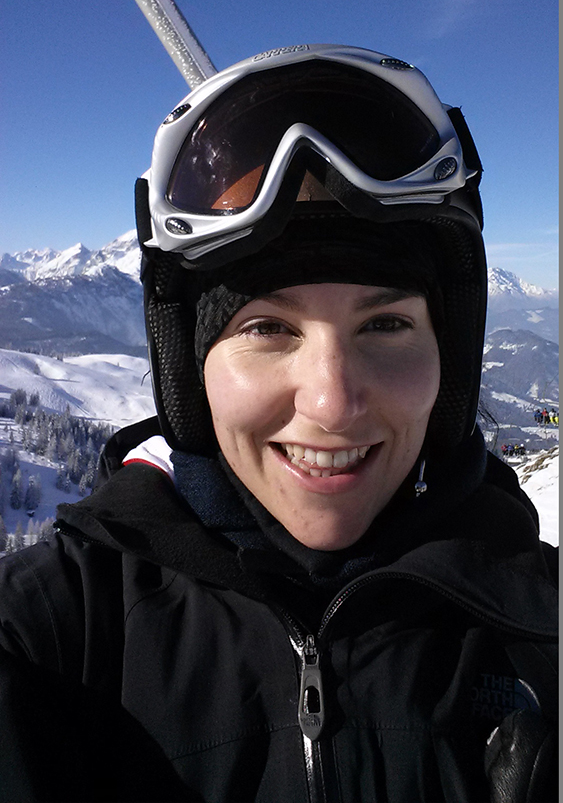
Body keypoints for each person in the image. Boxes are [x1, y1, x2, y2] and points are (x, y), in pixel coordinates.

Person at [0, 45, 557, 802]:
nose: (332, 403)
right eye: (267, 328)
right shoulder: (57, 632)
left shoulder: (539, 626)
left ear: (450, 357)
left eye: (386, 324)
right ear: (189, 370)